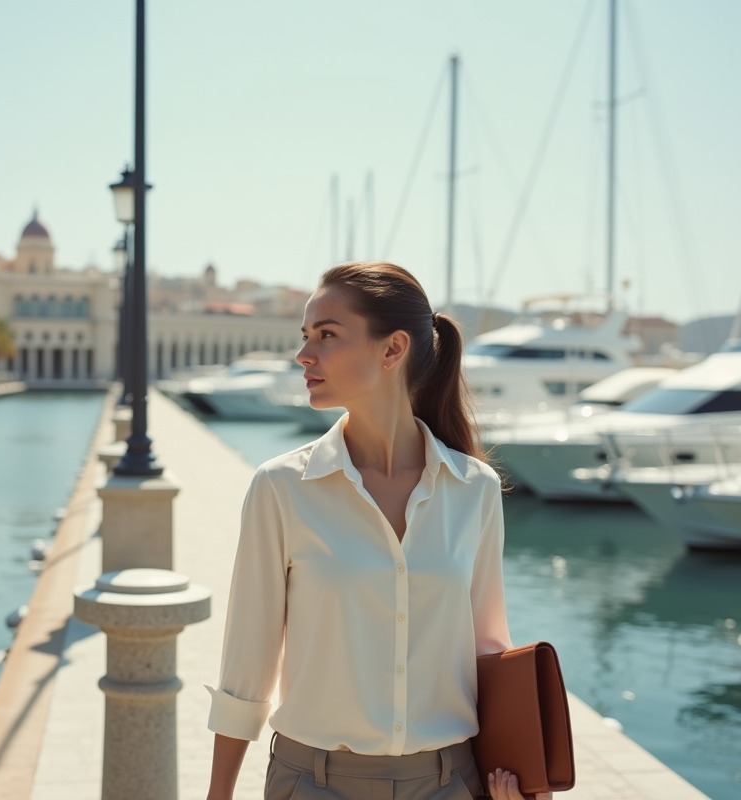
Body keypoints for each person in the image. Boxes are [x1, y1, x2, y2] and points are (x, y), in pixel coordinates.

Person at [204, 262, 551, 800]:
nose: (304, 354)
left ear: (392, 349)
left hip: (451, 784)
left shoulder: (474, 488)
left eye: (327, 335)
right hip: (312, 784)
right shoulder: (281, 487)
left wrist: (528, 778)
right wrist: (218, 793)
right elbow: (246, 663)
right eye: (306, 335)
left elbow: (488, 648)